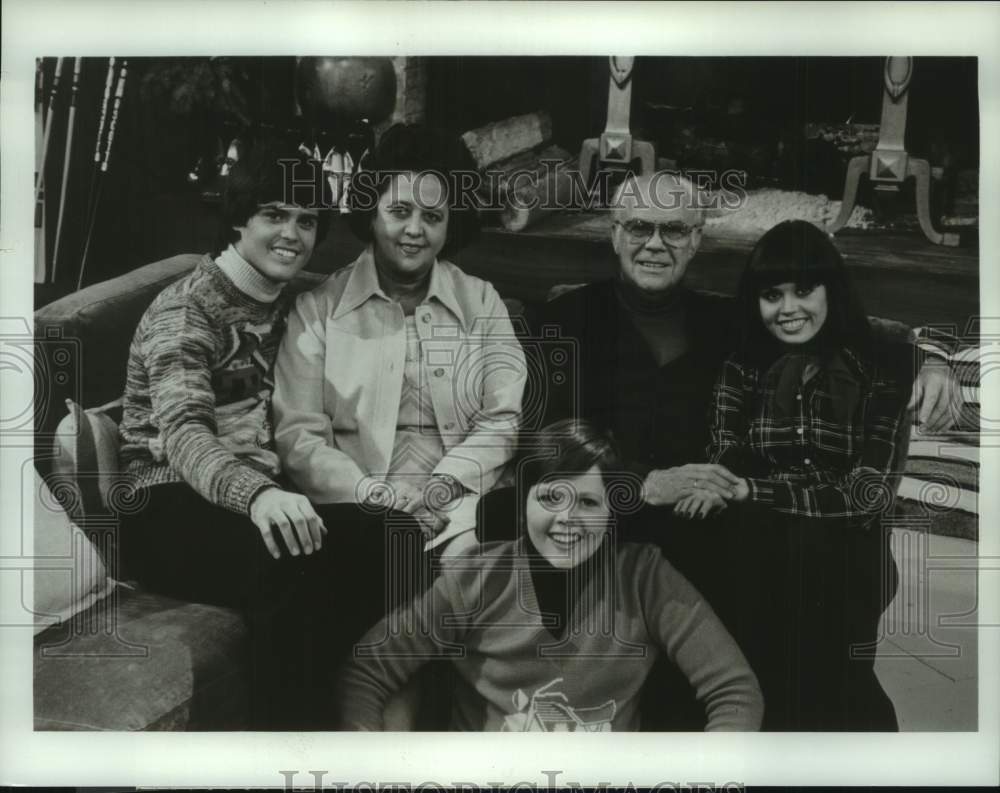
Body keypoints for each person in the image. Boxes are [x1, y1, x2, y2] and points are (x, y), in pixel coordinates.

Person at [479, 171, 961, 729]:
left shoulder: (727, 322)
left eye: (674, 231)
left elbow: (847, 326)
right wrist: (643, 484)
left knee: (813, 566)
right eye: (639, 227)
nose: (655, 244)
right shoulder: (561, 322)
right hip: (607, 513)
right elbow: (538, 446)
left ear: (697, 238)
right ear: (613, 234)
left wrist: (929, 358)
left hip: (711, 518)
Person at [272, 124, 526, 674]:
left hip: (460, 501)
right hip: (360, 513)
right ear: (371, 211)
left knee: (474, 569)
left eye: (433, 217)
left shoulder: (482, 302)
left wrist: (441, 487)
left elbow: (503, 419)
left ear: (450, 224)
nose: (415, 231)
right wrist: (377, 496)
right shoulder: (318, 308)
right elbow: (298, 436)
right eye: (400, 212)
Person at [337, 419, 764, 732]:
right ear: (523, 503)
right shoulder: (476, 577)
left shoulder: (644, 576)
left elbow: (734, 690)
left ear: (613, 511)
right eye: (550, 497)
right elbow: (368, 669)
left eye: (589, 503)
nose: (567, 520)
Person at [118, 141, 334, 728]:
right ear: (239, 219)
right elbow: (186, 435)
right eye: (274, 214)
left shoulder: (289, 302)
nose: (292, 233)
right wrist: (260, 495)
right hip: (163, 501)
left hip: (252, 490)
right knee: (293, 567)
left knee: (379, 541)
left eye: (307, 219)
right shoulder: (187, 309)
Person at [697, 220, 911, 730]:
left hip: (845, 544)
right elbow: (726, 454)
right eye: (772, 295)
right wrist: (732, 486)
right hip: (762, 537)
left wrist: (756, 489)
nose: (788, 309)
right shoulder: (742, 366)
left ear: (830, 290)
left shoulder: (878, 365)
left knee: (833, 674)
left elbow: (866, 492)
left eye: (804, 290)